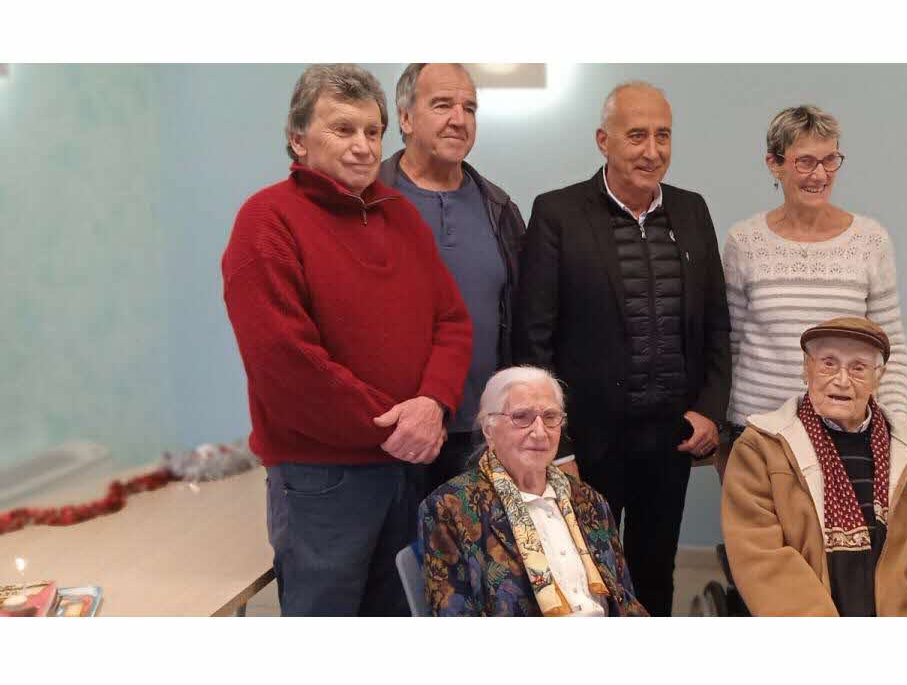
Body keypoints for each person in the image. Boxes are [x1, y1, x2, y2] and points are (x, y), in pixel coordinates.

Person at [221, 64, 472, 616]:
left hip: (405, 468)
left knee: (398, 617)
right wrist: (393, 426)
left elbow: (452, 321)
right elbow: (284, 361)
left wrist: (432, 405)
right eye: (343, 129)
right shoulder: (266, 221)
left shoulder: (400, 216)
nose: (363, 146)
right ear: (297, 138)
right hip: (321, 480)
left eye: (373, 131)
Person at [515, 81, 731, 616]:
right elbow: (532, 341)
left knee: (656, 570)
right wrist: (554, 445)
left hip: (670, 441)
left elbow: (716, 326)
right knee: (585, 576)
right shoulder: (557, 214)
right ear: (603, 140)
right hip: (587, 447)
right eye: (636, 135)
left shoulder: (692, 211)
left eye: (663, 135)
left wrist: (709, 408)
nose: (652, 150)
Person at [721, 317, 907, 616]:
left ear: (879, 378)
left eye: (858, 368)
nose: (841, 379)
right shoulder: (760, 449)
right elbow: (761, 556)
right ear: (806, 368)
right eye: (828, 363)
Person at [379, 63, 555, 489]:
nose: (459, 119)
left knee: (475, 556)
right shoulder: (368, 201)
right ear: (405, 118)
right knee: (394, 556)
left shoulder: (499, 207)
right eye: (442, 105)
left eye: (469, 108)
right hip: (391, 433)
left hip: (480, 435)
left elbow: (523, 321)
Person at [723, 105, 907, 442]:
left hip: (843, 431)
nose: (820, 175)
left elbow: (890, 348)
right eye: (805, 162)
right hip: (755, 433)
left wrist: (894, 430)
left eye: (830, 160)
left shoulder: (870, 240)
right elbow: (729, 346)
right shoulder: (744, 242)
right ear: (775, 164)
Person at [419, 366, 648, 616]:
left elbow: (625, 599)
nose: (540, 432)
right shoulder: (450, 507)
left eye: (550, 417)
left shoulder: (589, 502)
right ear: (488, 428)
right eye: (521, 417)